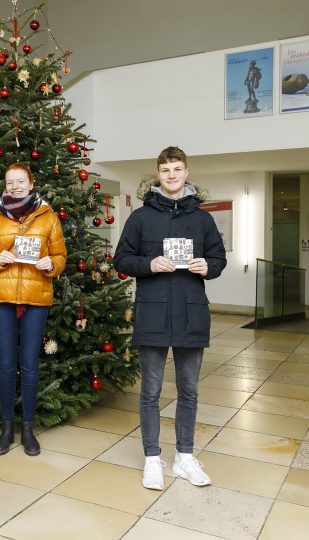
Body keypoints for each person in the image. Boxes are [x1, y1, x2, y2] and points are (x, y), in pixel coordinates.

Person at [114, 146, 226, 490]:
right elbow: (121, 259)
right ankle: (152, 458)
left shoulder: (203, 220)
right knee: (150, 391)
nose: (172, 175)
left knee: (189, 391)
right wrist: (148, 264)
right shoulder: (140, 218)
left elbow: (218, 259)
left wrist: (209, 267)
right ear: (158, 175)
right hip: (153, 313)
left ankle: (184, 458)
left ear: (186, 172)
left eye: (177, 169)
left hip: (192, 314)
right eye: (166, 170)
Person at [0, 162, 67, 456]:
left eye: (20, 182)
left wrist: (52, 264)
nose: (14, 187)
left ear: (31, 183)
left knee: (29, 366)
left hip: (36, 298)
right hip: (1, 298)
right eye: (10, 182)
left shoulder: (48, 217)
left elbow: (60, 255)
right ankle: (7, 428)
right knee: (5, 365)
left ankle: (27, 429)